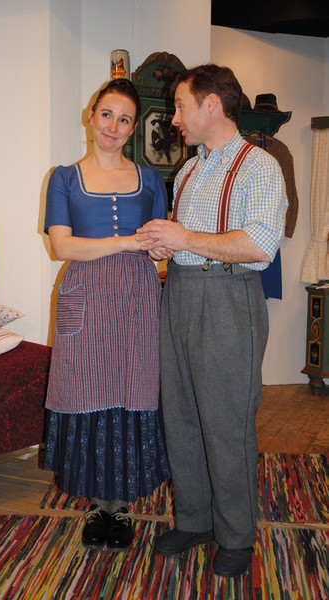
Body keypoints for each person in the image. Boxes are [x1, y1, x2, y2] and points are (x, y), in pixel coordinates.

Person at [136, 64, 287, 577]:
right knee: (180, 417)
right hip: (178, 294)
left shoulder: (259, 166)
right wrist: (165, 246)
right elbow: (189, 242)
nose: (174, 118)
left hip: (229, 299)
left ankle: (236, 536)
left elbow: (260, 245)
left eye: (180, 106)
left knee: (226, 424)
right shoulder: (188, 171)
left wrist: (184, 239)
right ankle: (195, 519)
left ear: (211, 105)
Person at [43, 78, 171, 551]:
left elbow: (158, 245)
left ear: (133, 128)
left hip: (137, 294)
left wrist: (157, 246)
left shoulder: (150, 180)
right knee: (88, 390)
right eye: (106, 115)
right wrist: (127, 242)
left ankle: (121, 508)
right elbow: (62, 246)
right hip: (86, 292)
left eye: (124, 120)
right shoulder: (63, 177)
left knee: (131, 390)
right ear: (90, 115)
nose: (113, 127)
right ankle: (98, 506)